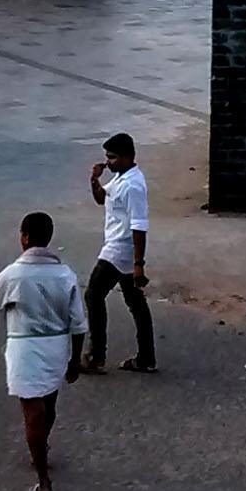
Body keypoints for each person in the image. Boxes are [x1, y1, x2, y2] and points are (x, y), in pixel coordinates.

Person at [0, 212, 86, 491]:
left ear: (24, 237)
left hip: (25, 351)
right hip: (56, 348)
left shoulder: (13, 273)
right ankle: (42, 449)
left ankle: (43, 479)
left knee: (32, 415)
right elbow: (78, 324)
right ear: (49, 238)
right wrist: (75, 360)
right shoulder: (65, 275)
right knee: (47, 407)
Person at [82, 133, 153, 374]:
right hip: (120, 248)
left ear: (126, 157)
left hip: (120, 249)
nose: (108, 162)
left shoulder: (133, 185)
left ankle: (95, 355)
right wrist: (94, 180)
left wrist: (139, 264)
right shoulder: (122, 178)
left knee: (93, 295)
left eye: (112, 158)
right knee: (135, 302)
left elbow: (139, 226)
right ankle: (146, 357)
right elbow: (102, 199)